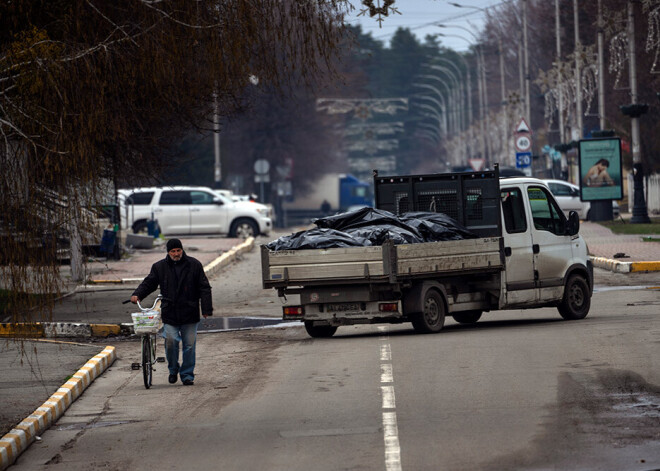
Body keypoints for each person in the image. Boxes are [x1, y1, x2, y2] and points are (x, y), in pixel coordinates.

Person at [131, 238, 213, 386]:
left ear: (182, 250)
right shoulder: (159, 267)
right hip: (170, 312)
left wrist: (206, 309)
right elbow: (149, 283)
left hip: (190, 311)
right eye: (173, 251)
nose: (176, 254)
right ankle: (173, 369)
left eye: (178, 250)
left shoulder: (194, 265)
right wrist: (138, 294)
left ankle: (187, 375)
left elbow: (204, 287)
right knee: (171, 342)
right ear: (168, 252)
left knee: (189, 346)